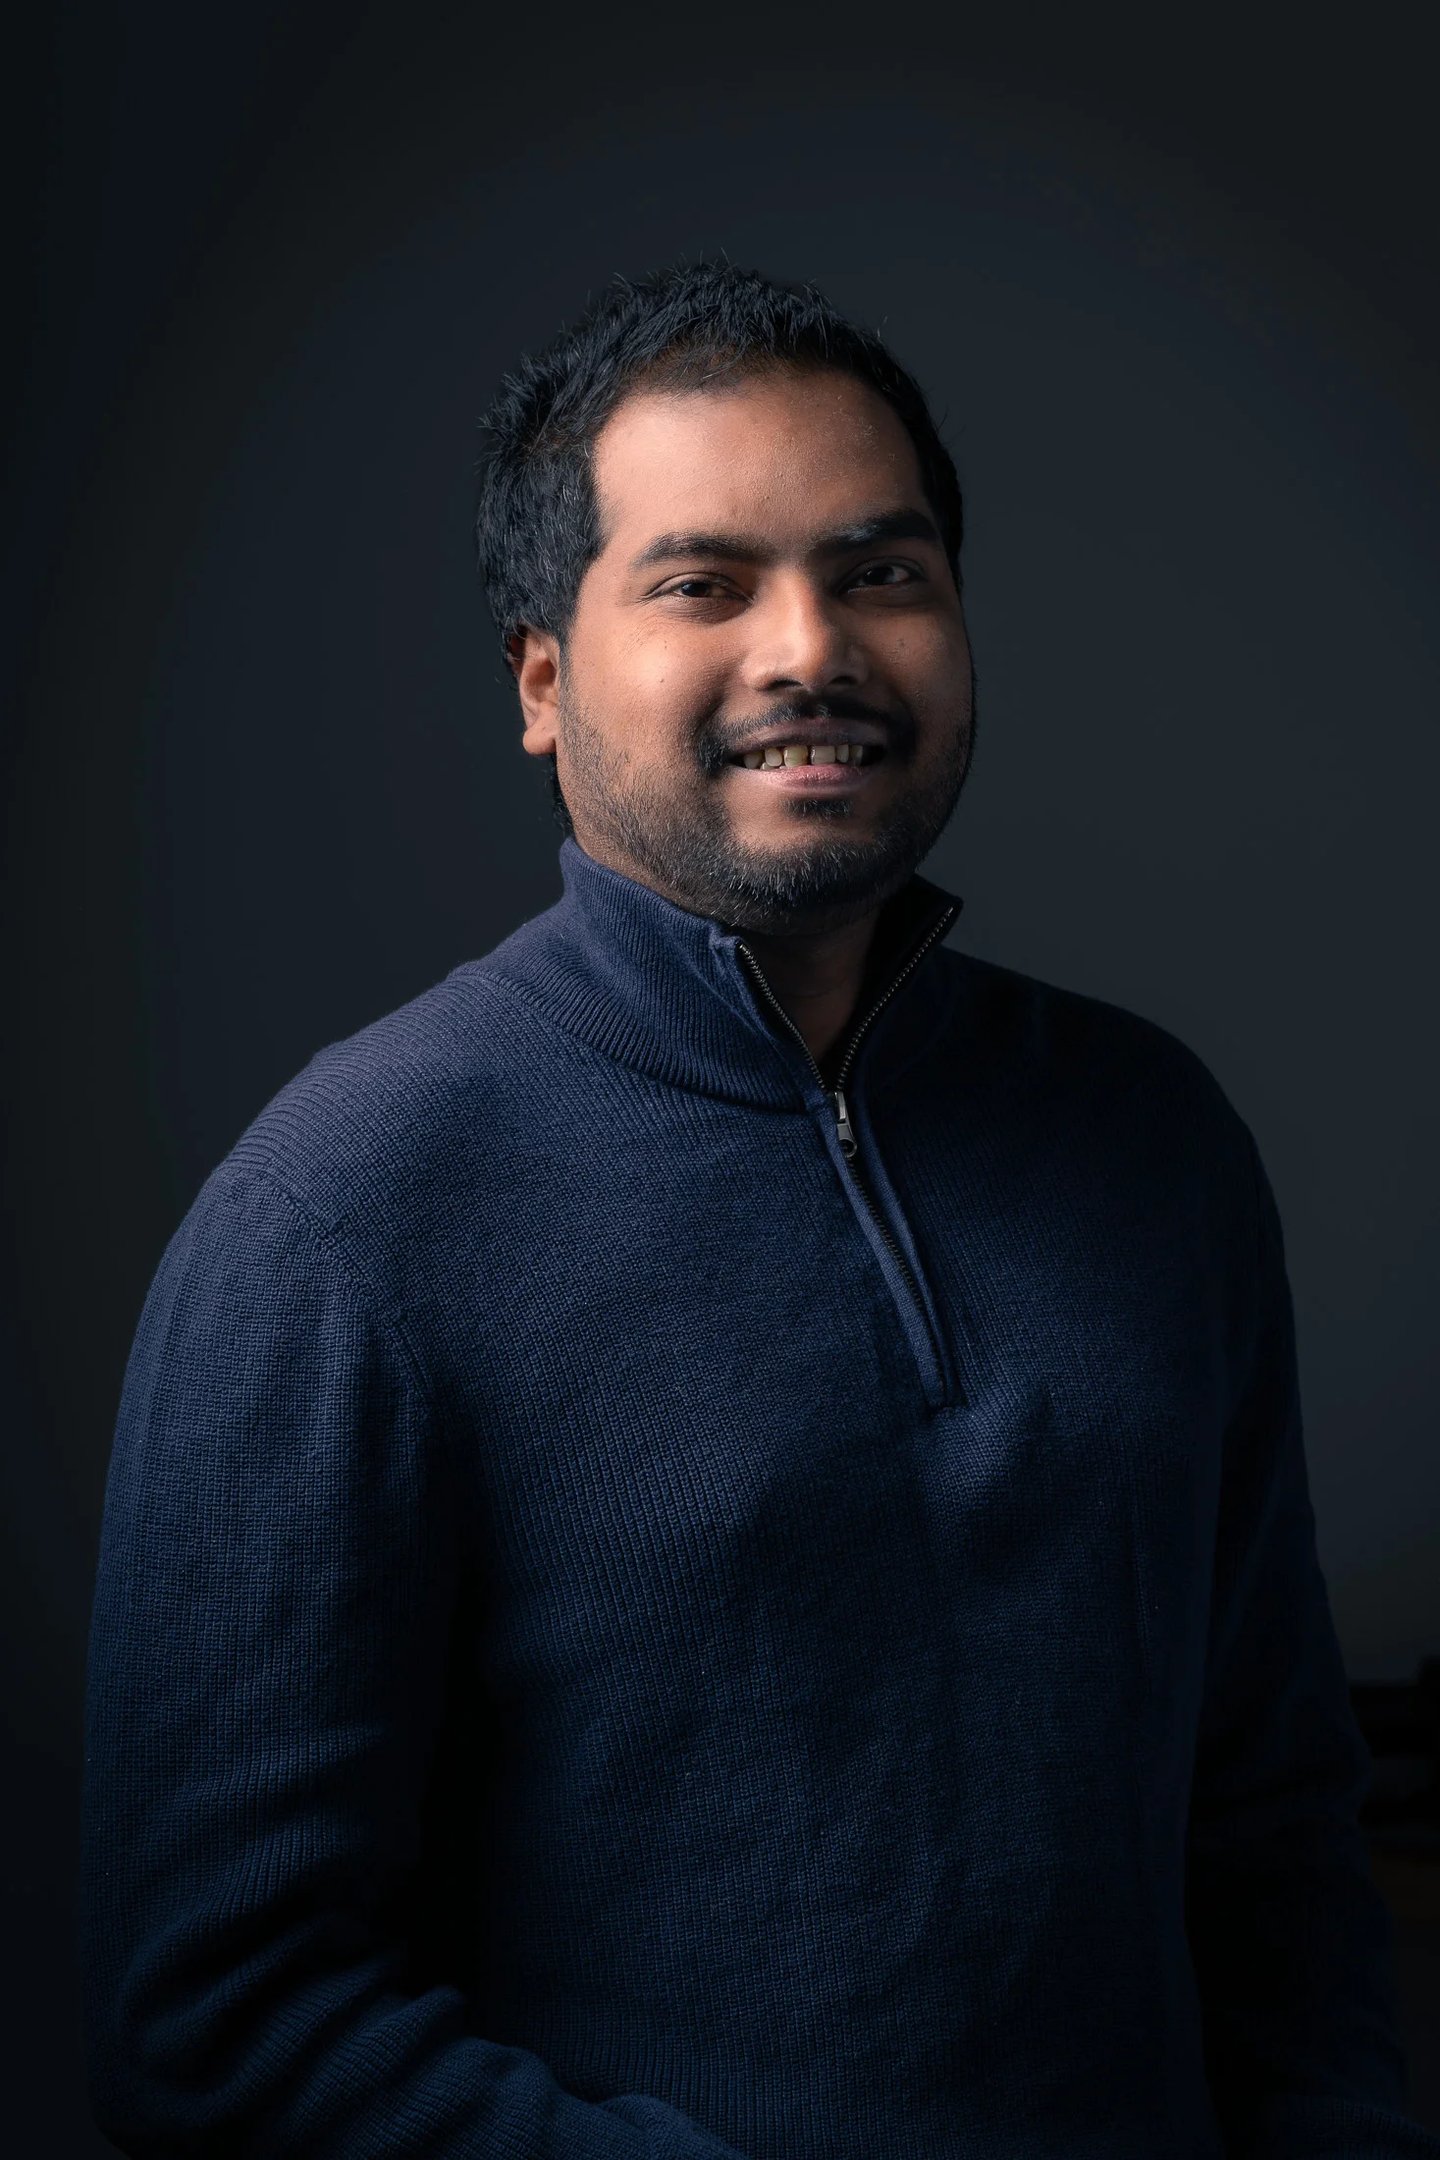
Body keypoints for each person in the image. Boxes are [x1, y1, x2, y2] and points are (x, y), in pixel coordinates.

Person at [80, 260, 1437, 2158]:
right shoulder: (337, 1220)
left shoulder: (1155, 1140)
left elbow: (1278, 1822)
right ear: (543, 681)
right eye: (703, 583)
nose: (814, 647)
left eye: (882, 572)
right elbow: (222, 2026)